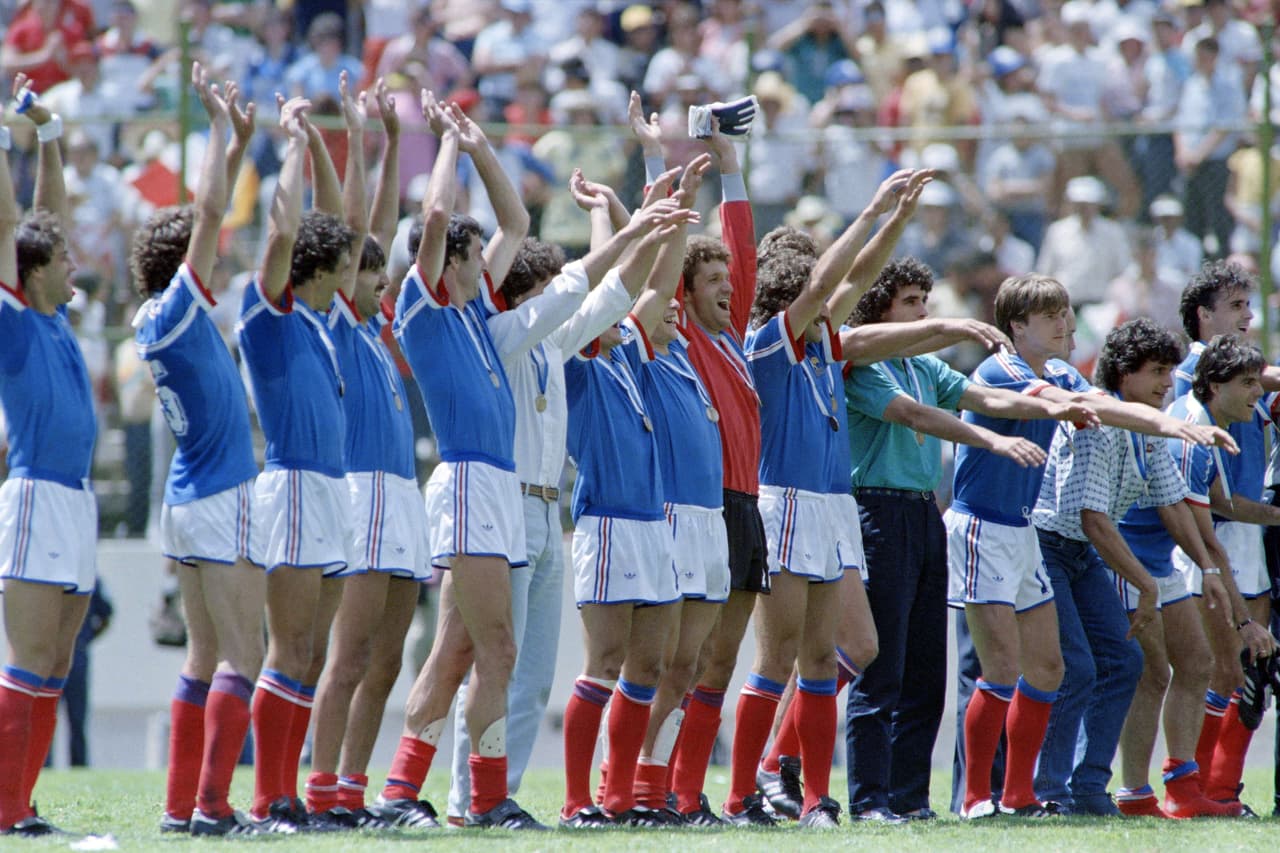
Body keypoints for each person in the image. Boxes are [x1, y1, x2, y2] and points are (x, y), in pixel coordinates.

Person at [945, 274, 1244, 820]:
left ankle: (1039, 793)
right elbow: (1084, 417)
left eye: (1066, 311)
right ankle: (985, 798)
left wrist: (1165, 429)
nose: (1067, 322)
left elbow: (1155, 479)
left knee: (1091, 664)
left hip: (1037, 539)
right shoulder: (1007, 370)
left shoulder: (1057, 369)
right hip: (997, 532)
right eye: (1052, 315)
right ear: (1016, 327)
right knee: (1012, 671)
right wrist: (1177, 428)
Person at [842, 256, 1096, 823]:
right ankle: (873, 801)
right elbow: (916, 417)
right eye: (910, 302)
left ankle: (913, 799)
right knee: (884, 666)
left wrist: (1060, 405)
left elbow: (989, 402)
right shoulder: (865, 367)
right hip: (880, 513)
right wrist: (996, 443)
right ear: (884, 314)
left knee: (930, 672)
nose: (923, 312)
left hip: (926, 514)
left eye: (923, 300)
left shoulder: (926, 366)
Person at [378, 92, 542, 830]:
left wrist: (478, 144)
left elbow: (519, 223)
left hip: (494, 485)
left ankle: (400, 793)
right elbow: (438, 221)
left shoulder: (475, 306)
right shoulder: (426, 303)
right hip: (471, 479)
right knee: (497, 646)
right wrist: (442, 142)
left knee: (458, 650)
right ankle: (486, 796)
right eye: (476, 256)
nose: (489, 259)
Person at [1031, 318, 1241, 816]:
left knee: (1124, 664)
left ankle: (1089, 788)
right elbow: (1095, 520)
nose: (1168, 384)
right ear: (1123, 375)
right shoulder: (1097, 426)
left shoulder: (1144, 426)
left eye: (1171, 372)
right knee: (1077, 667)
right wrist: (1146, 585)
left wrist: (1209, 572)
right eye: (1157, 372)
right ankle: (1050, 791)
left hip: (1081, 551)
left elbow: (1172, 505)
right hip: (1050, 547)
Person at [131, 65, 262, 837]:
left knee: (203, 655)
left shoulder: (154, 317)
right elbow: (210, 206)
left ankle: (183, 806)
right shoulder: (182, 308)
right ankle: (212, 805)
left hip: (188, 495)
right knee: (245, 651)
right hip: (219, 492)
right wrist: (224, 131)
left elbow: (208, 219)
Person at [300, 75, 424, 831]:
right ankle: (320, 790)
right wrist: (357, 137)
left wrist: (398, 140)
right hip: (365, 492)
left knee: (387, 659)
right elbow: (356, 223)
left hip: (402, 492)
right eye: (371, 272)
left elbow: (374, 231)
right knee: (347, 657)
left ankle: (354, 785)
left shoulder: (382, 331)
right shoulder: (342, 320)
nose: (383, 281)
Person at [236, 94, 358, 834]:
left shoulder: (320, 315)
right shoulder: (271, 311)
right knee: (289, 647)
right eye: (343, 257)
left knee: (311, 651)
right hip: (290, 483)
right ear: (322, 267)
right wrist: (287, 144)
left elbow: (334, 224)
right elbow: (284, 229)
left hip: (329, 488)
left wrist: (317, 145)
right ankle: (267, 796)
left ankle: (296, 794)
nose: (356, 256)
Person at [557, 189, 697, 829]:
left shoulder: (626, 355)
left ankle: (624, 798)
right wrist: (611, 218)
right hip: (607, 522)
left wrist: (676, 209)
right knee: (605, 664)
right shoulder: (578, 359)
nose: (646, 308)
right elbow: (610, 278)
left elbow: (660, 279)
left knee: (651, 664)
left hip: (651, 527)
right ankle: (577, 799)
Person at [1114, 334, 1275, 818]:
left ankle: (1179, 789)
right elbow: (1205, 536)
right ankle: (1137, 790)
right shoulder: (1192, 436)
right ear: (1213, 384)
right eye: (1247, 383)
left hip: (1163, 561)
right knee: (1151, 674)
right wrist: (1244, 619)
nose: (1256, 393)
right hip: (1140, 560)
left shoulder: (1201, 425)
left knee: (1196, 667)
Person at [0, 74, 97, 838]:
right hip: (34, 494)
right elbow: (14, 222)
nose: (75, 268)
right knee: (29, 656)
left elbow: (46, 219)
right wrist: (4, 142)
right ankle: (5, 808)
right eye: (60, 263)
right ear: (31, 274)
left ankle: (23, 806)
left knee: (58, 661)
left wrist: (53, 133)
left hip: (78, 497)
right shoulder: (14, 312)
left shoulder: (54, 310)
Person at [1174, 261, 1280, 811]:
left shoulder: (1250, 374)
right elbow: (1208, 495)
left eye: (1248, 305)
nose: (1248, 315)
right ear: (1204, 314)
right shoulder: (1185, 379)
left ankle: (1221, 790)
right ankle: (1190, 786)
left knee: (1249, 668)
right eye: (1236, 306)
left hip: (1247, 534)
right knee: (1219, 666)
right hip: (1209, 534)